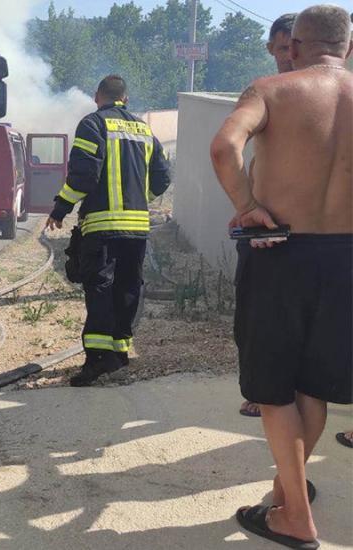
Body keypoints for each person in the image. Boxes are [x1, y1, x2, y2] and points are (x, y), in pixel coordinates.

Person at [210, 5, 352, 548]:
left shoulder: (271, 88)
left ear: (293, 46)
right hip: (347, 258)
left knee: (273, 390)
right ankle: (286, 492)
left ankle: (295, 515)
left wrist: (247, 205)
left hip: (281, 251)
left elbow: (224, 148)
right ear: (349, 46)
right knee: (313, 385)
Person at [45, 75, 171, 387]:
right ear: (125, 99)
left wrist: (61, 208)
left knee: (99, 288)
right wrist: (141, 200)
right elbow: (164, 177)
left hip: (102, 226)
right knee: (128, 287)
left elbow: (84, 175)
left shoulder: (93, 124)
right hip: (137, 228)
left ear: (97, 96)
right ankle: (119, 352)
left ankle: (96, 360)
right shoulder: (144, 130)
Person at [239, 12, 298, 419]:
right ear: (269, 49)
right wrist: (246, 207)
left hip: (315, 230)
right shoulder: (266, 93)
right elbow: (243, 158)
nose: (288, 57)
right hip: (264, 227)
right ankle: (264, 391)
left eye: (295, 48)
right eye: (281, 49)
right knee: (257, 321)